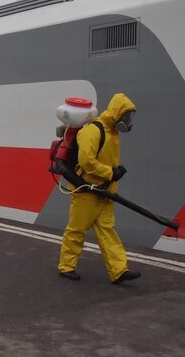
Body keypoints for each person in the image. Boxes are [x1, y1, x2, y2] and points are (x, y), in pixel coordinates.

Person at [57, 93, 141, 284]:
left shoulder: (112, 132)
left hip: (105, 191)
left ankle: (119, 270)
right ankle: (66, 266)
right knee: (77, 229)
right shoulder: (93, 130)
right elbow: (86, 161)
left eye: (129, 117)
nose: (127, 120)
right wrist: (111, 173)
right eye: (125, 115)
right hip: (87, 191)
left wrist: (111, 178)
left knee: (107, 231)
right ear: (115, 112)